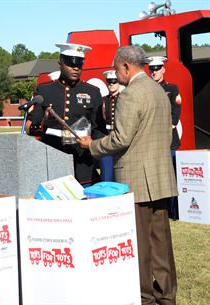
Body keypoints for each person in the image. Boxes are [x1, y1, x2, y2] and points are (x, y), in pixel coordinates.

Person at [77, 45, 178, 305]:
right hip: (160, 176)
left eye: (116, 67)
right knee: (161, 243)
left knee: (141, 244)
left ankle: (145, 298)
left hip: (137, 178)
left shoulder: (130, 94)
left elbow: (120, 139)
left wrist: (92, 145)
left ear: (125, 66)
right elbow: (167, 135)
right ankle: (167, 296)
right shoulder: (158, 90)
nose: (115, 73)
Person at [25, 42, 106, 186]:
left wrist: (92, 144)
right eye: (70, 63)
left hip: (83, 166)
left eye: (79, 64)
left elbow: (99, 130)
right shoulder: (45, 91)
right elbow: (28, 127)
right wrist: (45, 123)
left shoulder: (93, 92)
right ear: (60, 63)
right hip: (52, 163)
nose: (75, 68)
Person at [147, 56, 182, 220]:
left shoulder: (172, 89)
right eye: (151, 69)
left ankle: (173, 211)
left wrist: (170, 125)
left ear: (163, 69)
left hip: (168, 140)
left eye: (156, 69)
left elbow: (176, 111)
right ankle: (158, 209)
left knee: (171, 175)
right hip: (150, 141)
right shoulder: (145, 89)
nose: (154, 72)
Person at [100, 70, 121, 181]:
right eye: (109, 82)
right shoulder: (103, 100)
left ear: (118, 83)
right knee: (107, 173)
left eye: (114, 82)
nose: (111, 84)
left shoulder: (124, 98)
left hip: (120, 138)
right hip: (107, 137)